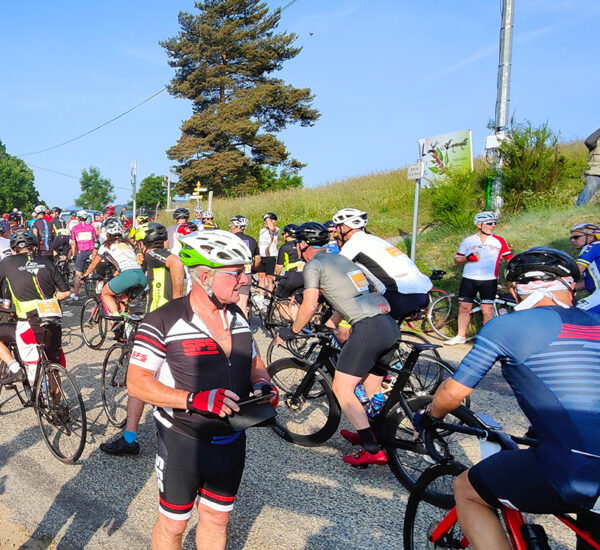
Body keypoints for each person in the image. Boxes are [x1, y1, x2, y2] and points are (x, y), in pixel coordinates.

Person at [414, 247, 600, 550]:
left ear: (515, 290)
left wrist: (430, 418)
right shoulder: (594, 323)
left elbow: (454, 392)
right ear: (571, 284)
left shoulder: (505, 326)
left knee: (466, 488)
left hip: (577, 469)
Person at [126, 230, 276, 550]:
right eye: (236, 273)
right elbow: (137, 382)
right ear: (205, 276)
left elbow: (254, 361)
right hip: (183, 442)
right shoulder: (162, 321)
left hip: (232, 440)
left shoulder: (237, 316)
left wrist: (262, 382)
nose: (245, 280)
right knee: (174, 524)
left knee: (217, 519)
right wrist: (193, 399)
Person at [278, 222, 400, 466]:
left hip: (368, 328)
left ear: (303, 245)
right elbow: (350, 295)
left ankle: (371, 448)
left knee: (342, 388)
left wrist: (292, 330)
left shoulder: (314, 265)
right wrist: (333, 323)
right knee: (370, 390)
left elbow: (310, 304)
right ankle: (371, 431)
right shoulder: (343, 260)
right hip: (388, 324)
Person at [100, 222, 186, 456]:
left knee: (137, 379)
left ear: (141, 243)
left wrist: (177, 299)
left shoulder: (154, 254)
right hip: (165, 320)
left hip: (159, 323)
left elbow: (176, 264)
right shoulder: (158, 258)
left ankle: (130, 439)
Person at [333, 208, 432, 322]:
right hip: (422, 293)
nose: (336, 232)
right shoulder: (375, 239)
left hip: (400, 295)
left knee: (354, 320)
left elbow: (333, 268)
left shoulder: (353, 245)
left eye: (337, 227)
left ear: (344, 227)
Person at [0, 230, 70, 386]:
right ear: (35, 248)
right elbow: (65, 292)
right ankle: (58, 407)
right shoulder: (48, 262)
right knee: (53, 368)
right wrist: (47, 302)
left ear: (13, 250)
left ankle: (15, 368)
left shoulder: (6, 262)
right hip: (52, 322)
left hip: (28, 324)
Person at [445, 211, 513, 345]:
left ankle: (486, 340)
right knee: (464, 307)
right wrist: (467, 258)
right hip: (469, 278)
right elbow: (457, 259)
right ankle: (461, 336)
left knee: (487, 310)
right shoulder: (468, 240)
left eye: (495, 223)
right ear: (479, 224)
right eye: (489, 223)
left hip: (489, 279)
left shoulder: (499, 241)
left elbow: (510, 258)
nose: (493, 226)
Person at [82, 218, 146, 316]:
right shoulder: (128, 244)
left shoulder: (106, 245)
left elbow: (94, 264)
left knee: (105, 293)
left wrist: (85, 275)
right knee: (123, 299)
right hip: (141, 277)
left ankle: (116, 318)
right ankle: (127, 325)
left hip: (127, 275)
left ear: (107, 234)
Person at [229, 215, 260, 314]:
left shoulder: (229, 239)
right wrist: (254, 269)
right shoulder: (252, 240)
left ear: (234, 226)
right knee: (242, 306)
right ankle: (244, 328)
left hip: (231, 274)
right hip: (246, 274)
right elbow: (258, 259)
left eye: (231, 224)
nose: (230, 226)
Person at [569, 223, 600, 314]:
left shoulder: (592, 246)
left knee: (575, 313)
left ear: (590, 237)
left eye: (576, 237)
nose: (573, 240)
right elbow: (591, 282)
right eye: (571, 238)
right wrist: (572, 288)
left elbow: (577, 270)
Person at [70, 210, 97, 301]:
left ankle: (76, 294)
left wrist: (74, 255)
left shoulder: (75, 228)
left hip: (81, 252)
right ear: (86, 218)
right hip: (91, 251)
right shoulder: (91, 227)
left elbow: (73, 243)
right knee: (94, 269)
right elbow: (95, 239)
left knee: (78, 273)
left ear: (78, 218)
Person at [257, 212, 279, 307]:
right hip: (262, 256)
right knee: (261, 277)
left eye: (267, 220)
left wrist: (267, 217)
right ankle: (261, 296)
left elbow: (272, 228)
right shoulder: (262, 230)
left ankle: (270, 296)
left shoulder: (276, 229)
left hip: (270, 256)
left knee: (270, 278)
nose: (265, 222)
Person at [576, 127, 600, 206]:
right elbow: (588, 142)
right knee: (591, 186)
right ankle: (579, 208)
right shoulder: (597, 139)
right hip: (594, 170)